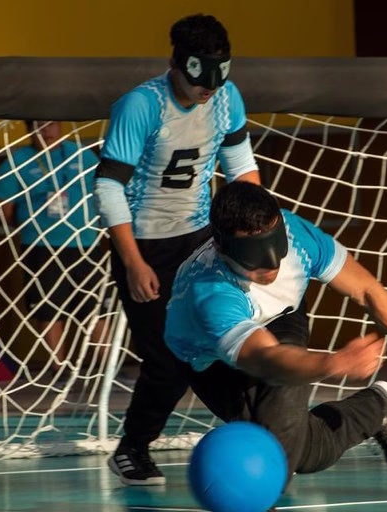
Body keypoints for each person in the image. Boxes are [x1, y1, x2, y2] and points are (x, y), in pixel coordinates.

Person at [164, 180, 387, 512]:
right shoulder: (212, 291)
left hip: (282, 320)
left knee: (279, 455)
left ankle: (257, 499)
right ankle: (375, 409)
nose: (271, 266)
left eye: (275, 245)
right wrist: (334, 364)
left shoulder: (298, 236)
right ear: (225, 249)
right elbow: (265, 359)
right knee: (303, 451)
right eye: (255, 256)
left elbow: (367, 290)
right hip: (211, 362)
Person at [94, 14, 261, 486]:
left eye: (216, 79)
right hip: (147, 245)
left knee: (228, 342)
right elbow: (109, 187)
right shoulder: (140, 106)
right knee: (168, 361)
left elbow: (241, 167)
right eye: (198, 79)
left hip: (203, 240)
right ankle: (132, 447)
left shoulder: (226, 97)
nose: (208, 89)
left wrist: (249, 238)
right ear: (175, 63)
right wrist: (133, 262)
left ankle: (262, 435)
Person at [0, 120, 103, 369]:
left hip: (84, 242)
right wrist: (26, 224)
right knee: (48, 308)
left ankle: (107, 368)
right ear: (29, 128)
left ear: (61, 126)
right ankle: (59, 368)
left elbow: (102, 190)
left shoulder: (81, 154)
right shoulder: (18, 159)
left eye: (52, 125)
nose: (46, 130)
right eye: (39, 125)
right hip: (40, 244)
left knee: (93, 307)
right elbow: (4, 207)